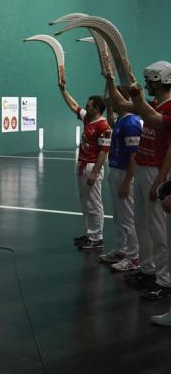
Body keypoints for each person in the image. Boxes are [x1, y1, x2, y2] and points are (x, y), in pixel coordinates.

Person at [106, 61, 171, 301]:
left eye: (151, 80)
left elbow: (155, 124)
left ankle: (165, 281)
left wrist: (161, 180)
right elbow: (120, 103)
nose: (147, 85)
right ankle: (148, 270)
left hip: (156, 172)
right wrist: (111, 79)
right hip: (143, 170)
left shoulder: (168, 107)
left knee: (157, 228)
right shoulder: (152, 103)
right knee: (141, 224)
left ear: (163, 80)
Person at [58, 79, 111, 250]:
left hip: (91, 167)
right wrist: (63, 90)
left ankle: (97, 237)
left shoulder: (103, 126)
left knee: (94, 202)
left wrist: (95, 173)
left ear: (96, 109)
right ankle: (89, 233)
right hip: (82, 165)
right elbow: (73, 105)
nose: (85, 107)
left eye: (89, 106)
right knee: (85, 201)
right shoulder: (88, 119)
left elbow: (103, 151)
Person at [99, 87, 141, 272]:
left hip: (125, 174)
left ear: (122, 99)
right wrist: (109, 105)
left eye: (113, 98)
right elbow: (112, 121)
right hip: (116, 171)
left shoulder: (131, 123)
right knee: (119, 216)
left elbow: (134, 156)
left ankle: (134, 257)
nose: (110, 100)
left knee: (128, 217)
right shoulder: (122, 120)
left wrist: (126, 182)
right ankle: (121, 250)